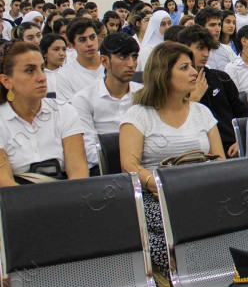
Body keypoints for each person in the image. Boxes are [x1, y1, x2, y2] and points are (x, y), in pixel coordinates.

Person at [120, 42, 225, 273]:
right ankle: (191, 278)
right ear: (163, 74)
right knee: (179, 225)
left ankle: (223, 274)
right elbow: (130, 165)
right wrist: (158, 185)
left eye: (192, 67)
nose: (194, 73)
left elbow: (219, 160)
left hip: (201, 189)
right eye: (184, 67)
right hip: (157, 195)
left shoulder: (202, 112)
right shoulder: (139, 115)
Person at [0, 40, 88, 185]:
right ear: (6, 81)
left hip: (65, 197)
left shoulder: (65, 111)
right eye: (30, 70)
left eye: (42, 68)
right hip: (16, 202)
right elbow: (4, 182)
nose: (41, 77)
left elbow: (78, 170)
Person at [71, 33, 142, 175]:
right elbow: (90, 152)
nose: (131, 64)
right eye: (123, 57)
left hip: (141, 168)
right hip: (105, 173)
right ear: (104, 61)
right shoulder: (84, 99)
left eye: (134, 57)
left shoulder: (143, 94)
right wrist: (129, 158)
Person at [178, 25, 248, 158]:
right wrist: (193, 99)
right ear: (184, 49)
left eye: (208, 49)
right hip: (195, 153)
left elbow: (243, 115)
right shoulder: (176, 84)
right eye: (200, 48)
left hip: (230, 149)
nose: (206, 54)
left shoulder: (221, 78)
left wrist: (240, 142)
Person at [56, 18, 104, 101]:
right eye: (82, 40)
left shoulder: (112, 64)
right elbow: (70, 110)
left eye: (92, 37)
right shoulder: (64, 75)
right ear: (73, 45)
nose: (89, 44)